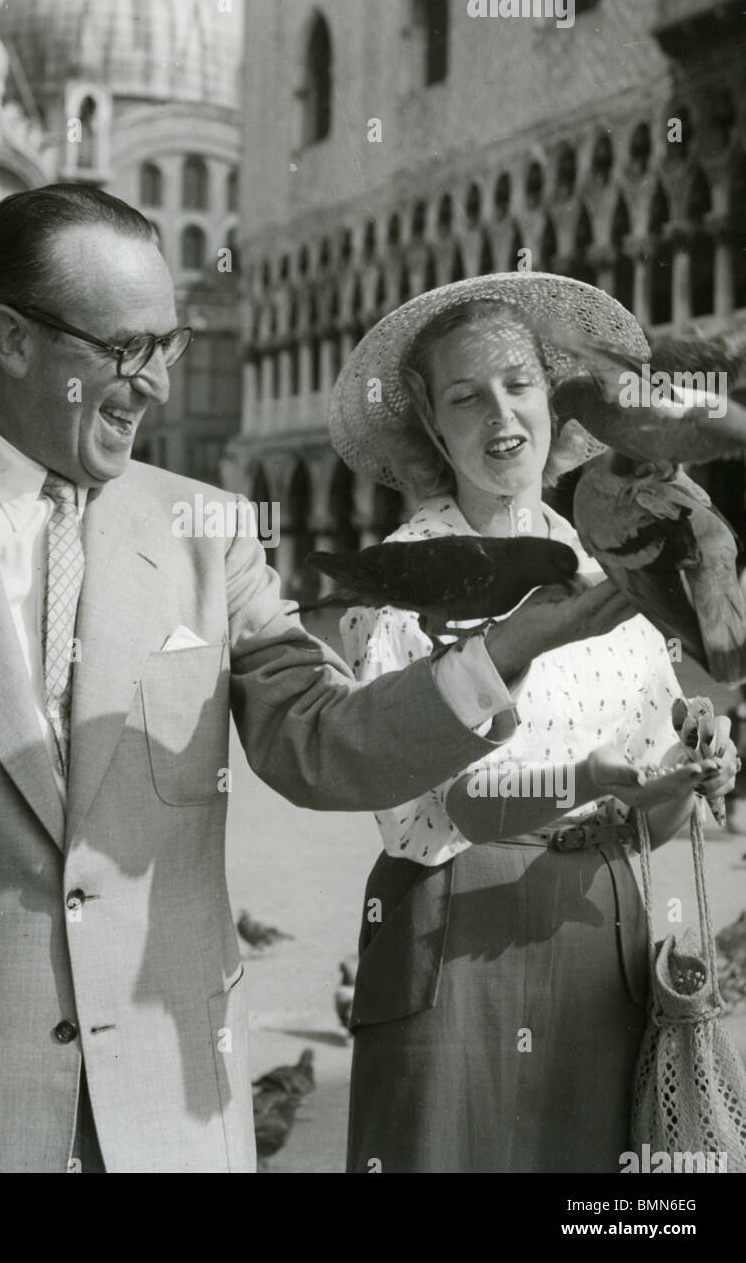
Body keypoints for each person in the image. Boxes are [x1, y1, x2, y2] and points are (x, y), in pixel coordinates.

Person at [0, 190, 641, 1174]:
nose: (152, 383)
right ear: (12, 339)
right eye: (120, 349)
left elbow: (322, 745)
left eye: (168, 343)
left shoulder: (210, 530)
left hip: (172, 1110)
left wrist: (503, 651)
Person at [329, 274, 739, 1175]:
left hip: (605, 937)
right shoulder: (404, 582)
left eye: (519, 384)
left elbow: (651, 814)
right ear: (434, 430)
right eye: (466, 398)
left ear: (555, 399)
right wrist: (589, 781)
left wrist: (690, 772)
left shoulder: (613, 560)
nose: (501, 414)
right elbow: (440, 813)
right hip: (452, 934)